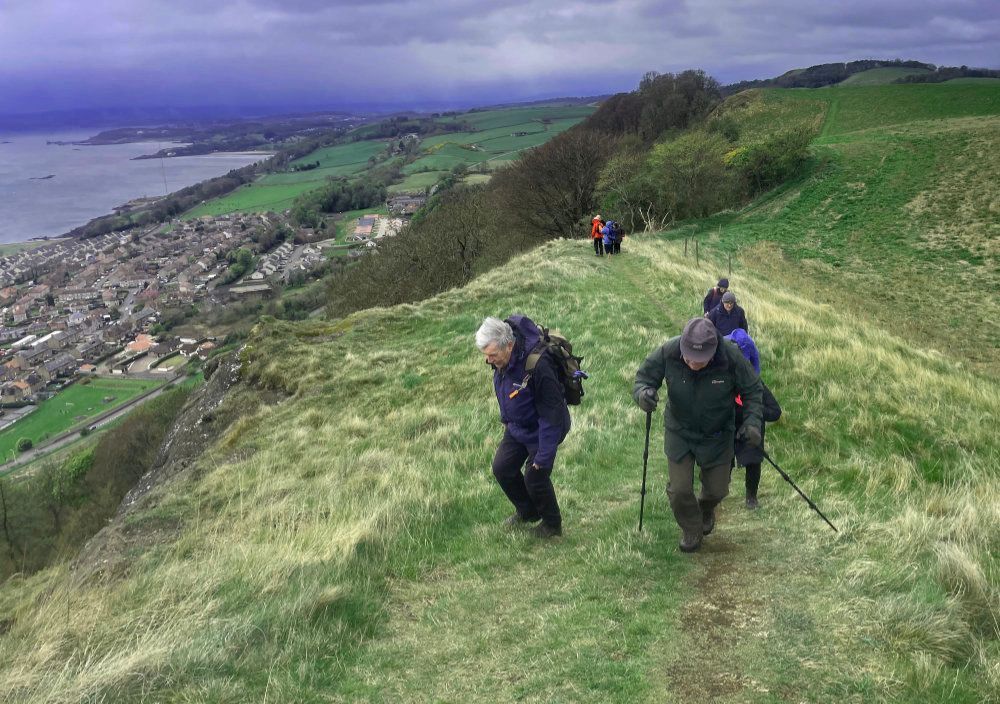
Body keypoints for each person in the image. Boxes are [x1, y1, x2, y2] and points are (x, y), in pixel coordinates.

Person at [633, 317, 763, 552]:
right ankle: (692, 530)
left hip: (718, 433)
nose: (693, 363)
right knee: (680, 490)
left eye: (700, 360)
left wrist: (752, 423)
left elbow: (753, 390)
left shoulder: (731, 357)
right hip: (680, 431)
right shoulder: (669, 351)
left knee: (718, 490)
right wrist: (644, 394)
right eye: (689, 357)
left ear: (713, 352)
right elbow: (643, 378)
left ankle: (704, 510)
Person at [476, 315, 571, 538]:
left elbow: (552, 414)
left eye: (492, 355)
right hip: (518, 426)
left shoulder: (538, 365)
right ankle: (528, 512)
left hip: (544, 428)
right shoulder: (502, 358)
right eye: (486, 356)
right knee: (502, 469)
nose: (488, 361)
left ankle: (552, 525)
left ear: (509, 345)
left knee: (535, 476)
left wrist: (543, 457)